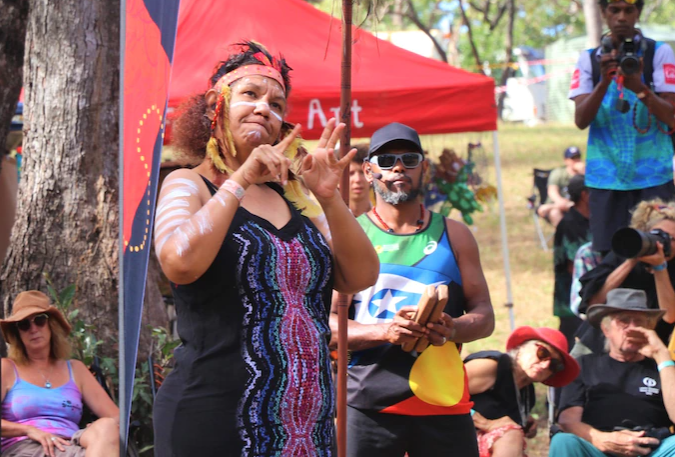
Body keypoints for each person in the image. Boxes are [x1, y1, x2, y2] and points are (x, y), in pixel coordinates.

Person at [152, 41, 379, 456]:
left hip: (305, 431)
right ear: (213, 105)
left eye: (276, 104)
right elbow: (178, 262)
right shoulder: (188, 184)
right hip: (215, 420)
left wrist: (329, 198)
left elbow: (361, 276)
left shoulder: (299, 199)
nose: (264, 109)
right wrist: (239, 180)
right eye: (250, 95)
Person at [331, 122, 495, 457]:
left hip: (442, 400)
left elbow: (485, 315)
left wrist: (452, 328)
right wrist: (385, 331)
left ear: (424, 168)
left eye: (409, 158)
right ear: (368, 170)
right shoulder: (349, 234)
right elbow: (329, 325)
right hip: (367, 404)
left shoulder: (456, 235)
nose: (398, 167)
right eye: (387, 160)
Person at [569, 0, 675, 254]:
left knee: (661, 251)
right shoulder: (589, 59)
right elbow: (581, 120)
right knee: (610, 255)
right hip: (606, 180)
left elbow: (671, 116)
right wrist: (604, 82)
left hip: (654, 178)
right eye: (614, 10)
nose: (621, 18)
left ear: (638, 12)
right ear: (604, 13)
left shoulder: (658, 53)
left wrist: (639, 87)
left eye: (629, 10)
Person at [550, 288, 675, 457]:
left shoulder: (664, 368)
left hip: (653, 448)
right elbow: (568, 421)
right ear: (606, 329)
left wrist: (662, 356)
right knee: (563, 442)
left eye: (639, 322)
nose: (632, 328)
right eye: (623, 321)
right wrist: (604, 440)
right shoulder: (584, 365)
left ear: (649, 328)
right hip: (598, 446)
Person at [0, 290, 119, 457]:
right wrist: (28, 430)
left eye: (40, 320)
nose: (33, 329)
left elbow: (117, 417)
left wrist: (96, 428)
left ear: (51, 325)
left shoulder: (75, 369)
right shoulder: (7, 368)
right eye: (24, 325)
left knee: (107, 427)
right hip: (26, 447)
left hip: (71, 445)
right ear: (17, 333)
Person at [577, 199, 675, 352]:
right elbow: (594, 302)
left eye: (672, 239)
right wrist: (633, 258)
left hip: (646, 350)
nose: (663, 242)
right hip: (599, 344)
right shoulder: (622, 256)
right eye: (658, 235)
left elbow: (669, 316)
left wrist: (659, 266)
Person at [465, 326, 580, 457]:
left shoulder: (527, 394)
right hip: (450, 438)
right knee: (511, 434)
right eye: (543, 353)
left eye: (555, 365)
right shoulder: (492, 366)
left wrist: (524, 422)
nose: (545, 365)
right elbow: (440, 392)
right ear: (521, 348)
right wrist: (485, 423)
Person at [553, 174, 591, 349]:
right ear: (585, 195)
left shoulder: (590, 221)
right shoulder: (569, 224)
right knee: (571, 348)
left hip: (586, 299)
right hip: (571, 301)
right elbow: (572, 266)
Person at [538, 146, 586, 227]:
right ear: (566, 160)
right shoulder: (558, 173)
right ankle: (564, 237)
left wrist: (584, 172)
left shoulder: (583, 175)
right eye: (572, 158)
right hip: (559, 206)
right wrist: (560, 202)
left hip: (578, 207)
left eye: (578, 157)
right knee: (554, 213)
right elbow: (552, 191)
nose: (576, 161)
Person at [347, 142, 372, 217]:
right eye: (351, 173)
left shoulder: (385, 218)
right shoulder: (327, 222)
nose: (357, 179)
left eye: (362, 172)